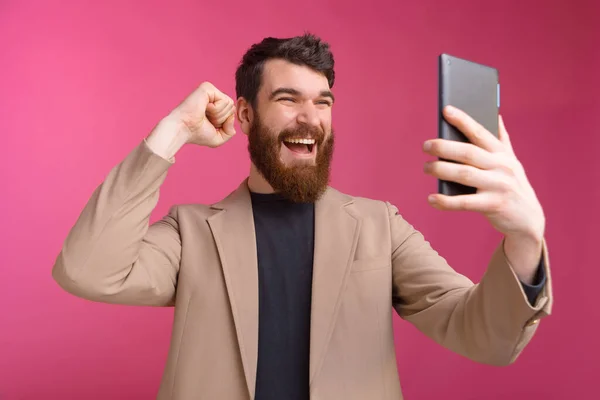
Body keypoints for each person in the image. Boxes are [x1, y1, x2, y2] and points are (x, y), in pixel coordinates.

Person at [52, 33, 553, 400]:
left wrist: (525, 240)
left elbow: (484, 336)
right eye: (287, 99)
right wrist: (172, 132)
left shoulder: (381, 227)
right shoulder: (191, 232)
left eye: (323, 102)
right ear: (245, 116)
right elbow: (88, 270)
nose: (309, 117)